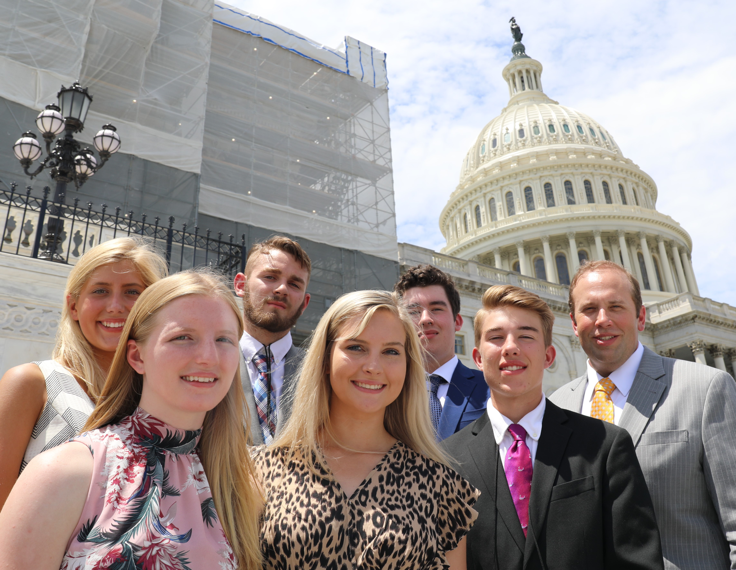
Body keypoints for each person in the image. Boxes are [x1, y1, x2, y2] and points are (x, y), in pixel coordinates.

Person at [0, 269, 262, 569]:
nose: (207, 356)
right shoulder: (63, 472)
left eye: (223, 340)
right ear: (137, 356)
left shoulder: (242, 487)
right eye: (183, 337)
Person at [253, 290, 479, 569]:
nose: (373, 366)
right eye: (356, 347)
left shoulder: (442, 485)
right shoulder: (257, 471)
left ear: (408, 367)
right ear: (325, 359)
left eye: (391, 352)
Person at [444, 284, 663, 570]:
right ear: (477, 358)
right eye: (496, 337)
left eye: (525, 336)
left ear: (549, 356)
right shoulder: (445, 461)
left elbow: (636, 561)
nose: (510, 347)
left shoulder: (605, 446)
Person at [549, 260, 736, 569]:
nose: (602, 320)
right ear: (572, 322)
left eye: (615, 307)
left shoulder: (705, 389)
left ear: (641, 316)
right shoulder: (557, 407)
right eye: (590, 309)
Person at [0, 236, 167, 510]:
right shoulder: (32, 383)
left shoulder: (161, 396)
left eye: (132, 292)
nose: (115, 305)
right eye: (100, 291)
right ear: (74, 306)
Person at [394, 264, 489, 440]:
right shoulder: (388, 393)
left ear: (457, 321)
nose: (425, 319)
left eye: (436, 309)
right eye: (414, 312)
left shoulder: (491, 389)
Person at [233, 236, 311, 444]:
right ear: (241, 285)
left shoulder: (320, 372)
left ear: (305, 303)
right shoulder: (209, 360)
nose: (282, 289)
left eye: (294, 284)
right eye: (270, 277)